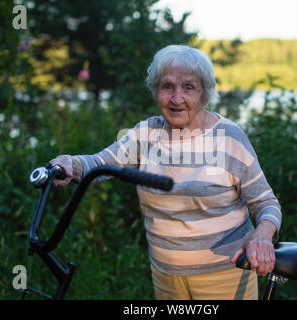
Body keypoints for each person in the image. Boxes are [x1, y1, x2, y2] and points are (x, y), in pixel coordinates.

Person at [49, 44, 282, 300]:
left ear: (204, 93)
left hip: (225, 275)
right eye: (167, 86)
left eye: (188, 87)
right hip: (165, 274)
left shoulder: (229, 138)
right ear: (155, 90)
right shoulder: (146, 134)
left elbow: (266, 203)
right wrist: (69, 164)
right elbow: (100, 164)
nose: (176, 98)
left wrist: (261, 237)